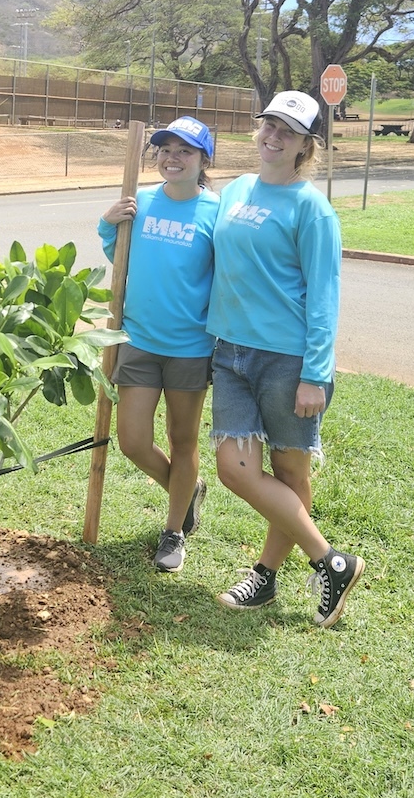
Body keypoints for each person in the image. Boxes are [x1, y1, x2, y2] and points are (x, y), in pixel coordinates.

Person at [207, 90, 361, 628]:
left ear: (305, 146)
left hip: (287, 361)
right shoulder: (234, 191)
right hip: (228, 354)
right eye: (268, 125)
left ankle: (266, 578)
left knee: (289, 472)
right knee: (235, 470)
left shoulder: (312, 209)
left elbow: (324, 294)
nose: (273, 137)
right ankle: (331, 561)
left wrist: (315, 374)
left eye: (287, 132)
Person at [97, 117, 219, 573]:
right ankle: (188, 489)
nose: (173, 157)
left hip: (190, 347)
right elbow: (122, 256)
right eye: (166, 149)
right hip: (140, 340)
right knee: (132, 441)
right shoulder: (141, 203)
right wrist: (108, 225)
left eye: (185, 151)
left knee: (182, 439)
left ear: (204, 159)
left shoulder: (215, 213)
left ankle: (174, 530)